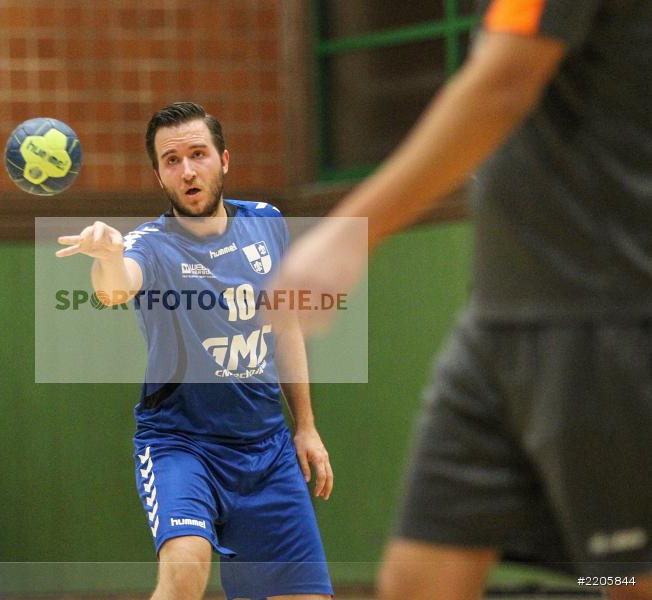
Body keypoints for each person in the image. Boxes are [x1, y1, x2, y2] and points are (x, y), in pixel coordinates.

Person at [272, 0, 652, 599]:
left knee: (627, 578)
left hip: (602, 316)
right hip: (498, 324)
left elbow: (503, 81)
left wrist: (352, 234)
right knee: (420, 579)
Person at [56, 101, 335, 600]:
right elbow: (115, 288)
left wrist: (306, 426)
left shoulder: (266, 223)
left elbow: (285, 323)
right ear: (159, 176)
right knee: (186, 570)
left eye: (198, 154)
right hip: (183, 446)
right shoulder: (151, 246)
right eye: (171, 160)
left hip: (265, 448)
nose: (187, 170)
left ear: (224, 160)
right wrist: (107, 256)